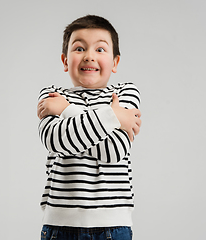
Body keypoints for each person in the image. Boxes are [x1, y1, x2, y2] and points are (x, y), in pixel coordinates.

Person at [37, 15, 141, 240]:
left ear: (115, 62)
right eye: (79, 48)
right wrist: (112, 116)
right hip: (58, 226)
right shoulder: (52, 95)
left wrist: (66, 111)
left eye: (100, 49)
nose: (89, 56)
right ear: (65, 61)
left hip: (113, 227)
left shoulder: (125, 93)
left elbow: (113, 151)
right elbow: (56, 140)